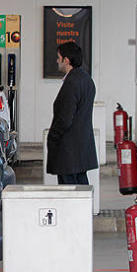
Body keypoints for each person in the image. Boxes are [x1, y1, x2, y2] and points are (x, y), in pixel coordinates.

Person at [46, 41, 98, 185]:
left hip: (68, 151)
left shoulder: (72, 83)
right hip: (81, 149)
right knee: (81, 193)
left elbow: (65, 118)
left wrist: (53, 136)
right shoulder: (86, 80)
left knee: (69, 196)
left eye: (59, 57)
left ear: (66, 60)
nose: (57, 61)